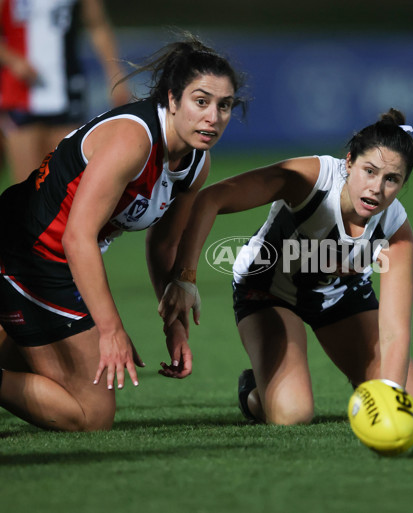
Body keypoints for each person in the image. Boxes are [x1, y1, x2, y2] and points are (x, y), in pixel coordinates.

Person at [0, 35, 247, 431]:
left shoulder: (195, 162)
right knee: (91, 413)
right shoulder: (133, 140)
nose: (213, 116)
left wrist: (174, 326)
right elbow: (77, 236)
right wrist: (110, 329)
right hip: (25, 255)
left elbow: (164, 243)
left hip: (51, 262)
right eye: (201, 101)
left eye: (224, 105)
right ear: (172, 98)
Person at [159, 108, 413, 425]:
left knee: (412, 409)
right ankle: (254, 392)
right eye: (369, 171)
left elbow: (395, 331)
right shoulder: (310, 180)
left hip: (339, 296)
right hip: (268, 293)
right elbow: (211, 199)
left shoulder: (395, 230)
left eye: (391, 179)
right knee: (293, 415)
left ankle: (349, 387)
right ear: (348, 162)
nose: (376, 187)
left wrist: (390, 395)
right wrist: (185, 278)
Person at [0, 0, 131, 185]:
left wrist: (115, 75)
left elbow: (98, 25)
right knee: (26, 188)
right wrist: (13, 61)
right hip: (21, 93)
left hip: (67, 90)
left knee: (63, 183)